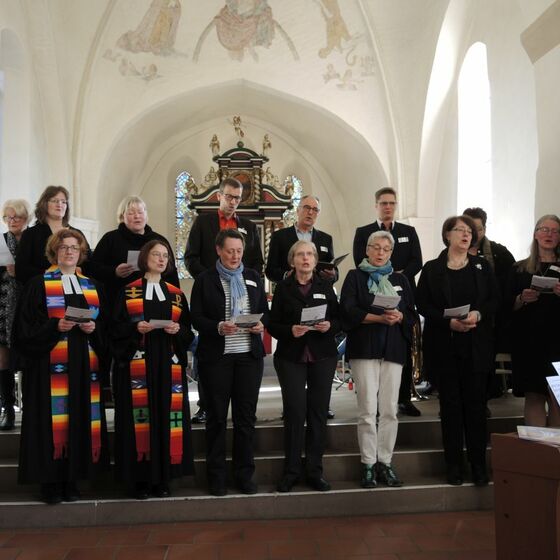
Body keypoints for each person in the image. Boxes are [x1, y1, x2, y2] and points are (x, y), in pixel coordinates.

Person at [16, 229, 109, 504]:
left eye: (75, 248)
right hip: (49, 367)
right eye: (64, 248)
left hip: (83, 367)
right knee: (51, 423)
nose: (69, 252)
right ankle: (50, 483)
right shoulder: (38, 285)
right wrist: (54, 326)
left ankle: (72, 480)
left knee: (79, 419)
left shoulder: (93, 286)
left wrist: (94, 328)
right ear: (54, 252)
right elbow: (23, 330)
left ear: (81, 253)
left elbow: (108, 330)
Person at [416, 215, 498, 486]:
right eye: (460, 230)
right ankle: (454, 465)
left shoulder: (482, 267)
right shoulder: (432, 269)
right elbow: (422, 305)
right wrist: (447, 321)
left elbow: (493, 300)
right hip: (445, 346)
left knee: (476, 407)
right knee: (450, 408)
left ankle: (478, 465)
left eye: (469, 232)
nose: (466, 235)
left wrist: (477, 314)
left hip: (475, 345)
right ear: (447, 235)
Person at [112, 239, 194, 499]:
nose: (161, 259)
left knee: (166, 418)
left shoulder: (176, 294)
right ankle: (140, 481)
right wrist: (135, 329)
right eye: (156, 255)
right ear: (145, 258)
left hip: (167, 367)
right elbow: (113, 330)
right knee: (140, 421)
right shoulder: (128, 292)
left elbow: (188, 333)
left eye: (165, 256)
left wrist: (177, 330)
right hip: (138, 365)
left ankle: (163, 479)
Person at [190, 229, 268, 496]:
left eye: (239, 250)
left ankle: (244, 475)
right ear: (218, 251)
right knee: (217, 419)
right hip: (217, 359)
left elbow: (265, 313)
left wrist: (260, 325)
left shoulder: (253, 277)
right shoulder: (205, 279)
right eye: (230, 250)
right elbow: (195, 317)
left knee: (246, 419)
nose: (235, 256)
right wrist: (217, 327)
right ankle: (217, 477)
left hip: (248, 357)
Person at [185, 177, 264, 424]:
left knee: (244, 407)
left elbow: (256, 262)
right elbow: (191, 258)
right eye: (228, 196)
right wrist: (212, 281)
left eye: (237, 198)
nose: (233, 201)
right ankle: (205, 405)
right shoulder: (204, 221)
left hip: (242, 293)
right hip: (212, 294)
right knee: (210, 353)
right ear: (219, 196)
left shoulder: (249, 226)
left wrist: (241, 278)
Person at [340, 231, 414, 489]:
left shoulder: (400, 279)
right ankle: (368, 463)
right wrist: (378, 318)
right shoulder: (355, 277)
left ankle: (386, 461)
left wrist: (400, 317)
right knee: (368, 409)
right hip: (365, 349)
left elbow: (411, 313)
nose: (381, 252)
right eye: (376, 247)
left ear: (391, 253)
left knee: (390, 410)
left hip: (393, 349)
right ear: (367, 250)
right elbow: (347, 310)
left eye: (386, 249)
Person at [268, 240, 340, 492]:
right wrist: (290, 330)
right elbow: (271, 324)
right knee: (295, 412)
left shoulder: (325, 286)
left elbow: (339, 318)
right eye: (301, 254)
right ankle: (291, 471)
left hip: (322, 355)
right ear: (293, 261)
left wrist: (330, 325)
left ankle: (314, 471)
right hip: (291, 356)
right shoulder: (283, 288)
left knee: (318, 413)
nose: (306, 258)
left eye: (310, 254)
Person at [266, 194, 338, 419]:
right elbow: (270, 270)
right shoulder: (280, 237)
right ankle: (294, 408)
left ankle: (320, 406)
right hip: (291, 297)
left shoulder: (325, 238)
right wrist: (289, 274)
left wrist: (333, 274)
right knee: (295, 402)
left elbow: (333, 272)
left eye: (315, 210)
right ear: (297, 210)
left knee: (318, 403)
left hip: (319, 297)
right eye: (306, 208)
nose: (310, 213)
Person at [353, 187, 423, 416]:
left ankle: (404, 397)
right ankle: (372, 402)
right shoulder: (363, 231)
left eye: (392, 203)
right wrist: (382, 274)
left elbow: (417, 260)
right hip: (371, 292)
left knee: (401, 347)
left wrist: (397, 274)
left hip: (401, 291)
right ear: (376, 205)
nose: (388, 207)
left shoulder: (408, 231)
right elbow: (359, 259)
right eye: (383, 203)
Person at [506, 214, 560, 427]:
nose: (549, 234)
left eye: (555, 231)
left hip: (558, 340)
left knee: (557, 397)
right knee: (535, 395)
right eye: (544, 229)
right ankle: (537, 454)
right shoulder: (519, 269)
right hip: (529, 341)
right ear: (535, 234)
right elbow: (505, 304)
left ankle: (555, 456)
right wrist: (521, 298)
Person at [462, 207, 516, 403]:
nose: (472, 234)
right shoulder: (449, 256)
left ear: (484, 229)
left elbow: (507, 290)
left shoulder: (500, 254)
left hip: (491, 322)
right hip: (460, 322)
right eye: (467, 228)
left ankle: (483, 401)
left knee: (483, 369)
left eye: (477, 229)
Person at [90, 195, 180, 309]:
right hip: (118, 300)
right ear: (122, 216)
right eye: (131, 213)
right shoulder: (110, 239)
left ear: (146, 215)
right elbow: (93, 269)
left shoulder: (159, 241)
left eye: (140, 212)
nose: (137, 216)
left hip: (156, 300)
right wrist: (114, 272)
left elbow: (171, 272)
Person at [16, 186, 92, 285]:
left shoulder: (77, 234)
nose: (59, 204)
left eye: (63, 202)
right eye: (55, 201)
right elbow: (21, 270)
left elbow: (90, 264)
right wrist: (48, 273)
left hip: (76, 287)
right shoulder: (31, 234)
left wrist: (79, 270)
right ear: (44, 204)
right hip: (43, 288)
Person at [0, 199, 31, 430]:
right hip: (3, 305)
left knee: (29, 357)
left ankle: (32, 408)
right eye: (8, 218)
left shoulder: (34, 240)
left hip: (29, 305)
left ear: (26, 218)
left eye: (16, 217)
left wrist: (19, 271)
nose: (12, 222)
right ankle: (8, 409)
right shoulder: (1, 241)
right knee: (3, 360)